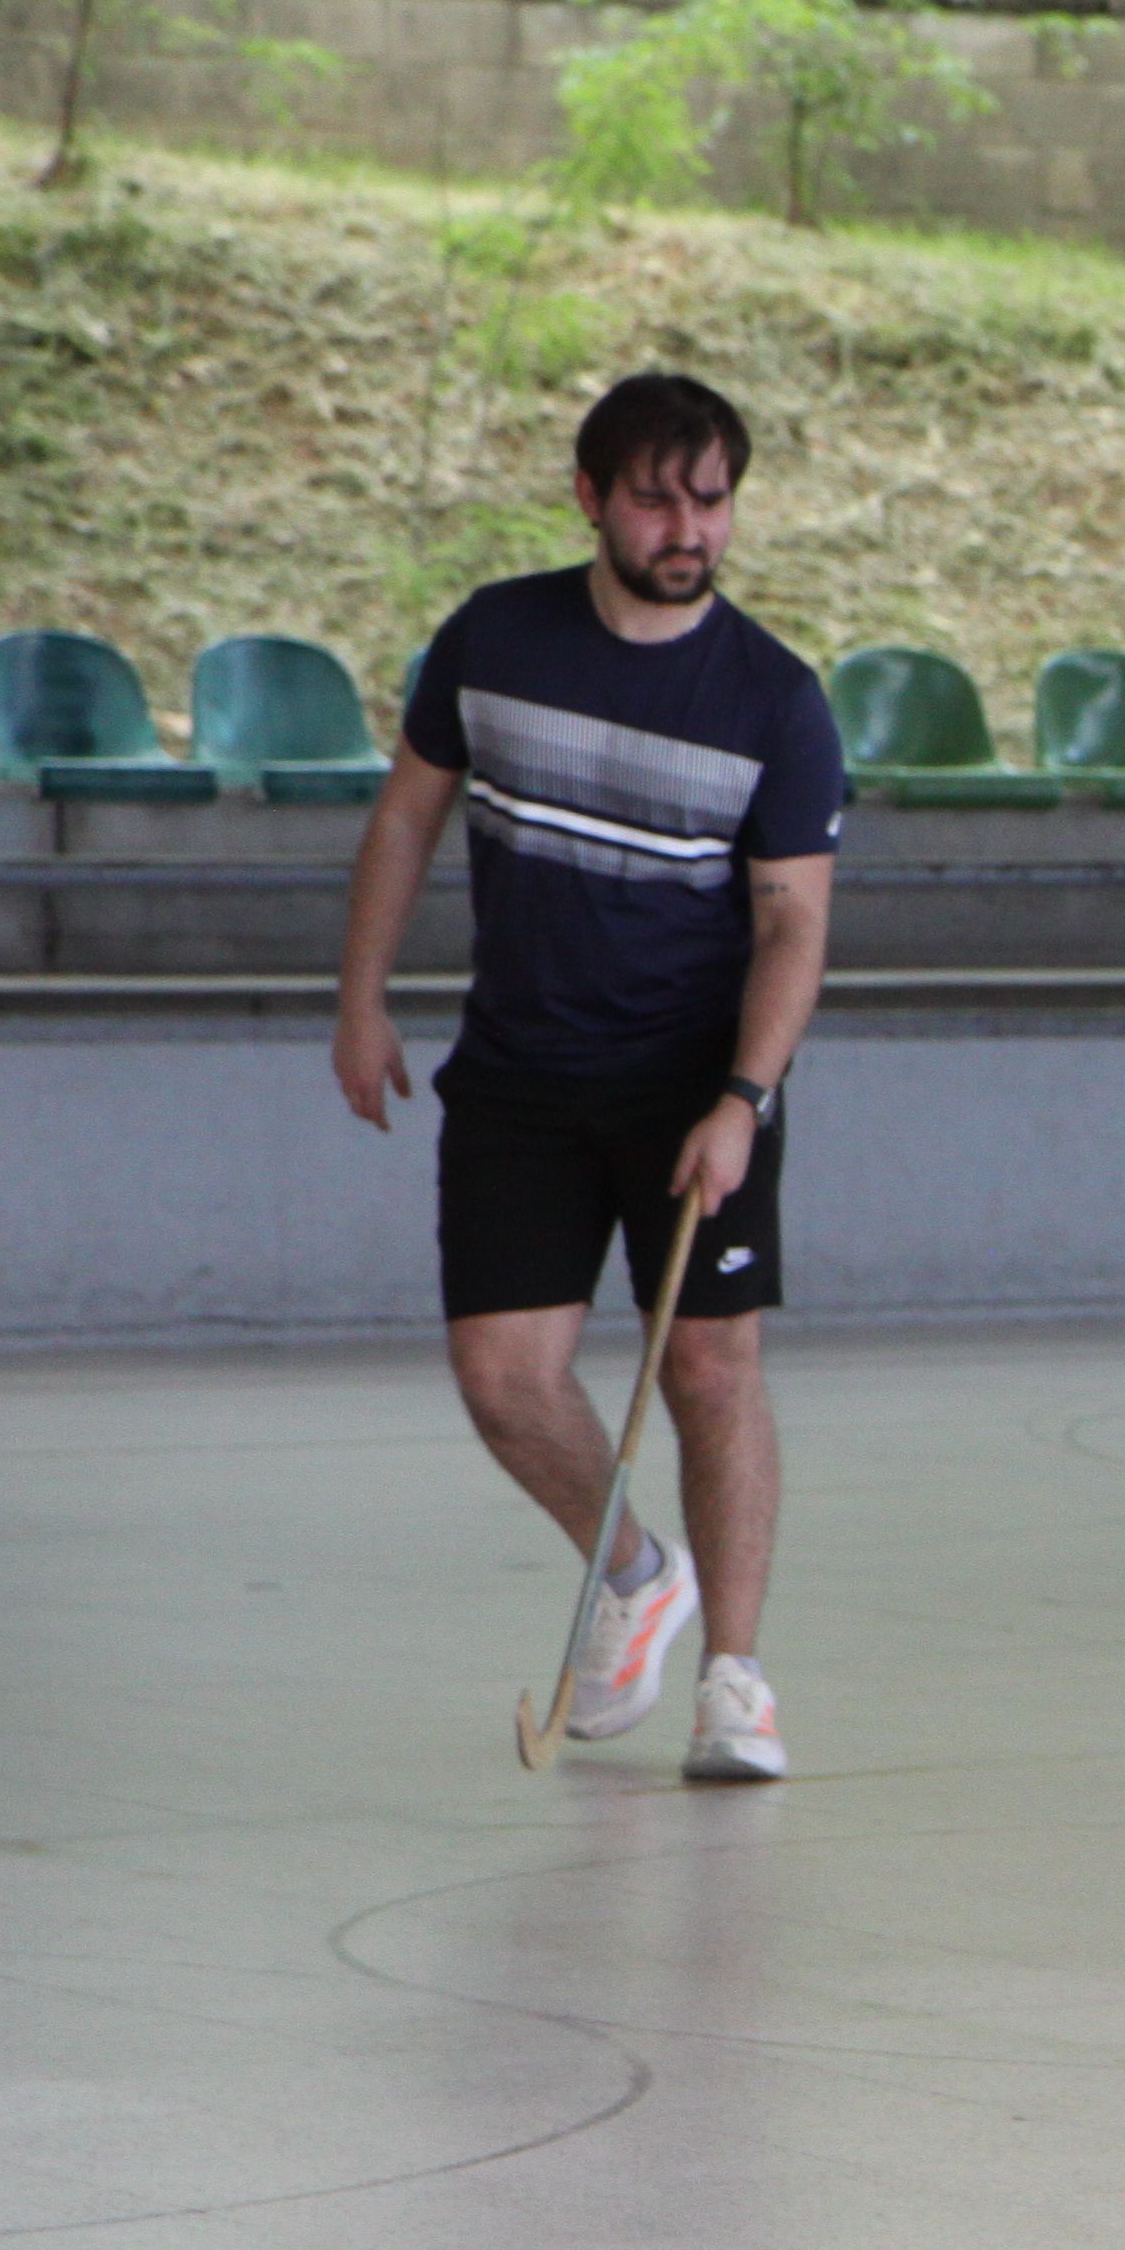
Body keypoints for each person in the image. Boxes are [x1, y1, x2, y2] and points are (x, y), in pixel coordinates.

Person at [332, 373, 837, 1782]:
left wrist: (742, 1101)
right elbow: (404, 820)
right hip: (519, 1075)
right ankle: (633, 1573)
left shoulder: (774, 700)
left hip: (692, 1083)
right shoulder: (495, 639)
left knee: (710, 1366)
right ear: (590, 499)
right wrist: (360, 999)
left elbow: (794, 924)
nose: (690, 530)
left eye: (712, 501)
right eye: (658, 500)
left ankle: (735, 1681)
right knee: (502, 1378)